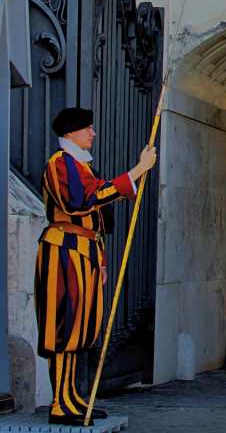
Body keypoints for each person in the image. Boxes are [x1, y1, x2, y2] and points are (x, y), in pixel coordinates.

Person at [34, 107, 157, 426]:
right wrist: (137, 171)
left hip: (83, 252)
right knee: (64, 327)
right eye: (87, 129)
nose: (93, 133)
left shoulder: (78, 165)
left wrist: (99, 261)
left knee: (81, 328)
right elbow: (83, 201)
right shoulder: (61, 163)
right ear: (71, 134)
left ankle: (71, 396)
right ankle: (60, 403)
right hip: (64, 251)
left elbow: (95, 222)